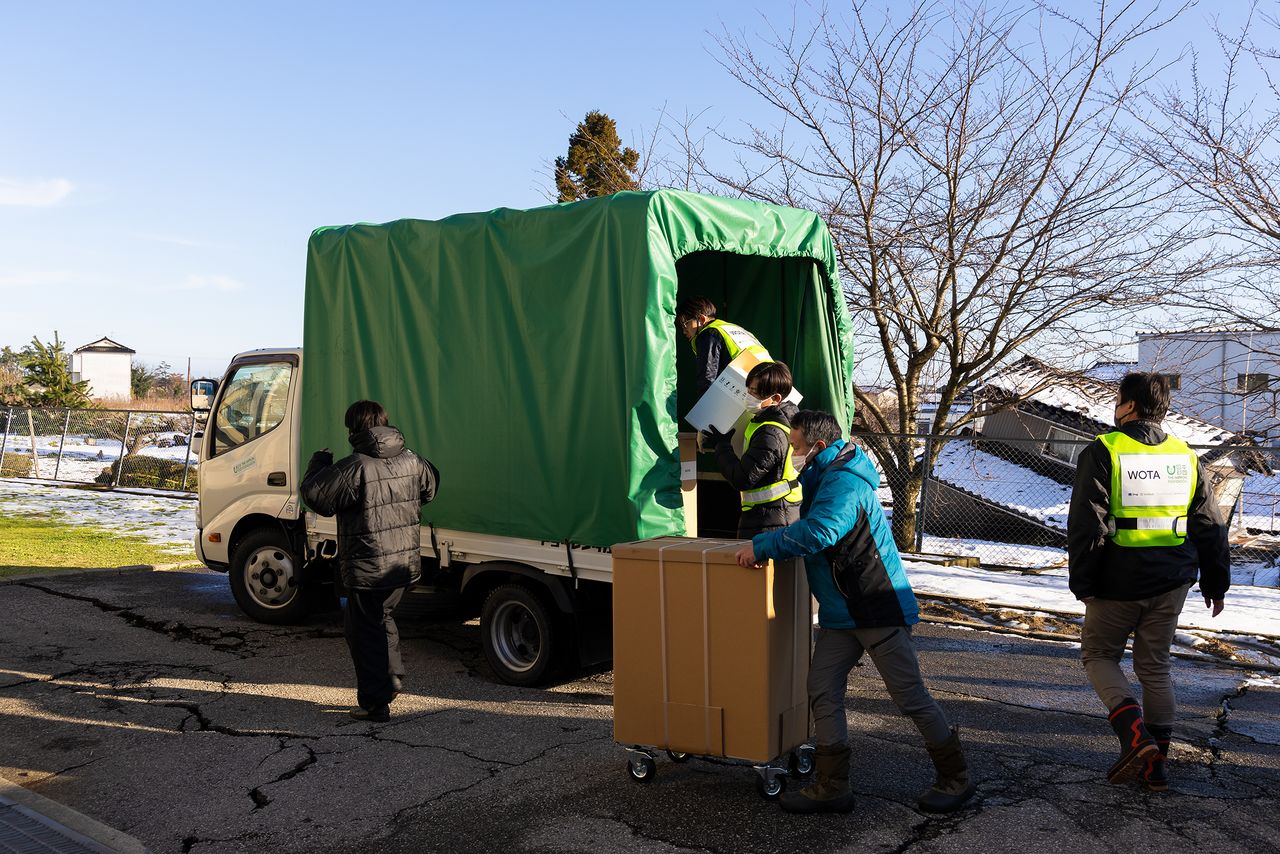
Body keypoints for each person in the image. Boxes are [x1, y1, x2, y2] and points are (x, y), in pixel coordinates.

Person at [735, 410, 976, 815]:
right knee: (822, 688)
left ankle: (956, 778)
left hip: (876, 606)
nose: (792, 453)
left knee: (909, 697)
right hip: (843, 610)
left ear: (819, 446)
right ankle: (832, 786)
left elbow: (821, 531)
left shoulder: (844, 480)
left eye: (796, 446)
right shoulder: (825, 476)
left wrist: (763, 546)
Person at [1068, 372, 1229, 790]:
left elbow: (1088, 522)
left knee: (1099, 655)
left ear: (1130, 406)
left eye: (1118, 399)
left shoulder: (1105, 449)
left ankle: (1134, 736)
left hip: (1116, 582)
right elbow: (1210, 524)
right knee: (1155, 668)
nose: (1115, 406)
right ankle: (1156, 767)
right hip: (1172, 580)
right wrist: (1216, 583)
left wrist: (1083, 582)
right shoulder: (1185, 456)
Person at [301, 400, 440, 723]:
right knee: (382, 618)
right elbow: (431, 487)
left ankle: (375, 704)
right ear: (383, 423)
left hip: (368, 567)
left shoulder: (355, 466)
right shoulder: (412, 459)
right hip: (402, 563)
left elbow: (315, 496)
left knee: (363, 632)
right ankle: (391, 678)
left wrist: (318, 463)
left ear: (354, 429)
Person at [702, 361, 802, 538]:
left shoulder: (770, 433)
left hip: (771, 521)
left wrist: (722, 446)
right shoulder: (776, 422)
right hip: (772, 515)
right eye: (748, 389)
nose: (748, 395)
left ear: (775, 399)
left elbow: (742, 478)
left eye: (754, 392)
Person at [676, 295, 771, 397]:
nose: (684, 331)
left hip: (755, 383)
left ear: (702, 319)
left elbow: (707, 377)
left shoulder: (708, 334)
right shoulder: (731, 327)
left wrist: (705, 404)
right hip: (775, 377)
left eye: (685, 324)